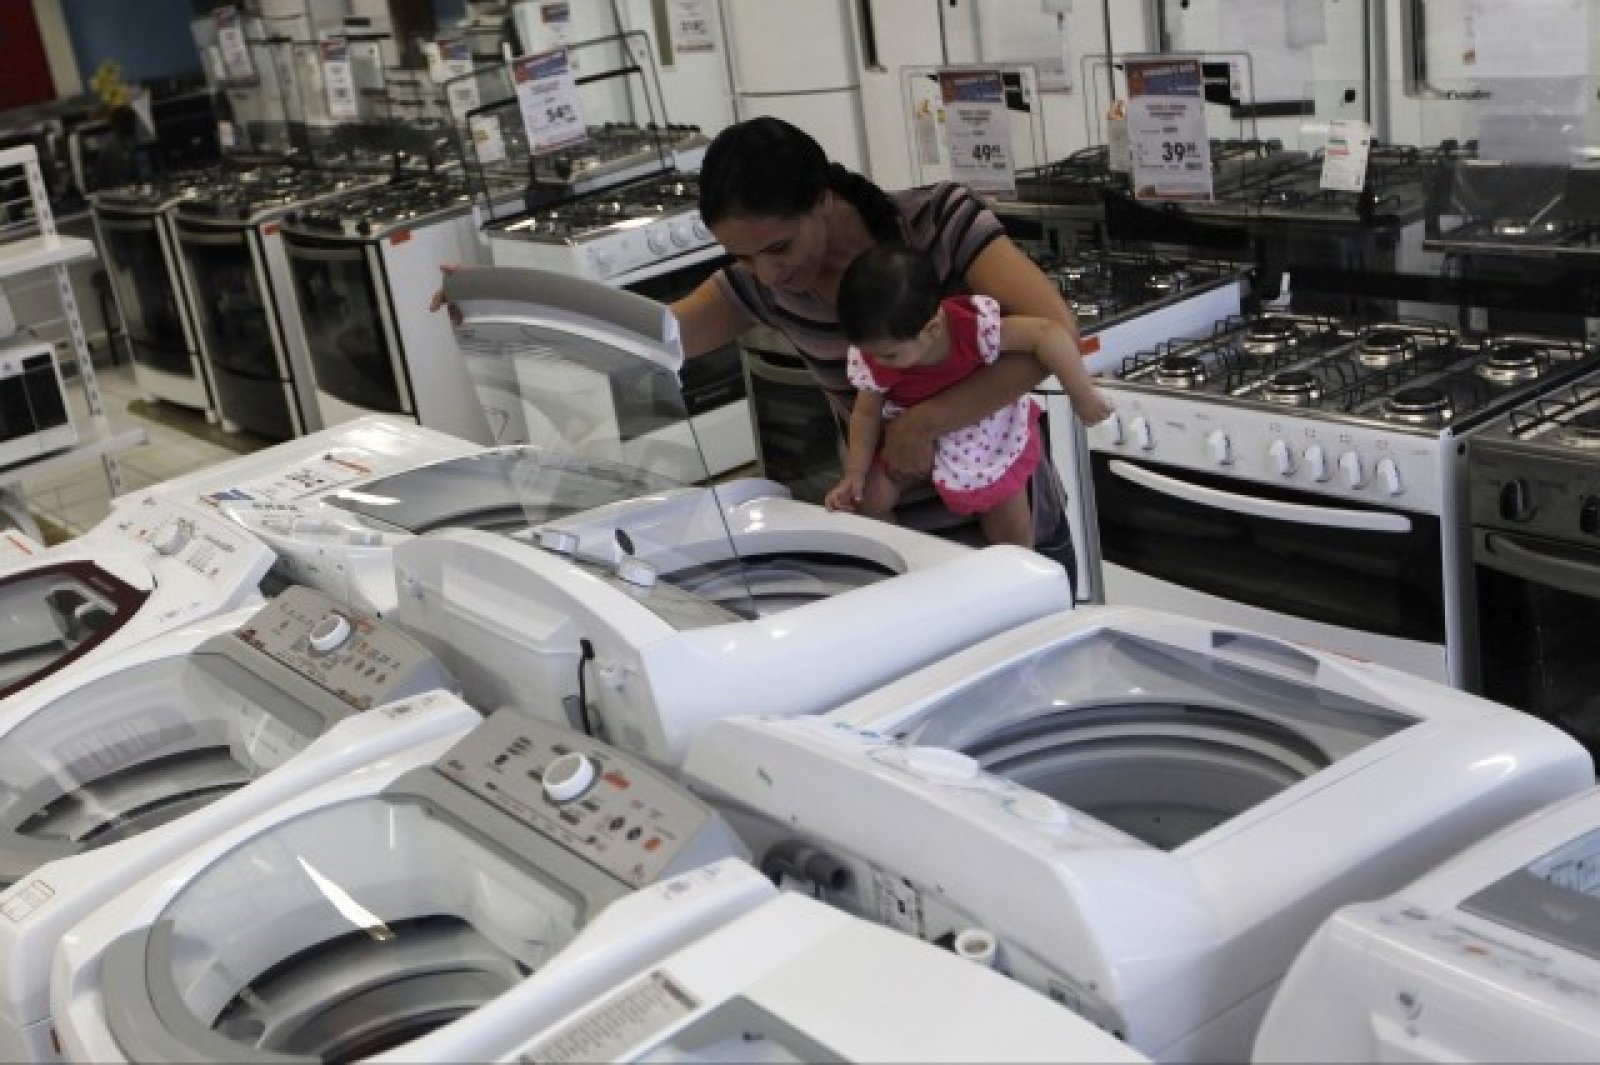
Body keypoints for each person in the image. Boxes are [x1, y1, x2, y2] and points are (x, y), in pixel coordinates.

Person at [668, 116, 1103, 548]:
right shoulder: (762, 287)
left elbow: (1057, 331)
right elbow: (658, 335)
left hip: (1019, 535)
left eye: (779, 248)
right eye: (743, 258)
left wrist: (922, 424)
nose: (766, 275)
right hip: (905, 552)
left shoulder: (939, 222)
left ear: (822, 198)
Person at [824, 245, 1110, 548]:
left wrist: (1082, 395)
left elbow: (1047, 334)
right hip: (908, 438)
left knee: (1008, 529)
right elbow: (865, 413)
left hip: (984, 435)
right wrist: (854, 473)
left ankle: (1017, 571)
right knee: (869, 500)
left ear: (932, 329)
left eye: (889, 355)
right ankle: (904, 556)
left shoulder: (973, 328)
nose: (876, 362)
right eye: (870, 353)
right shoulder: (877, 352)